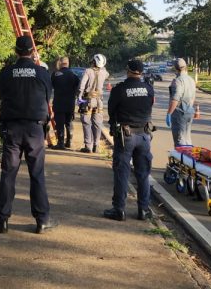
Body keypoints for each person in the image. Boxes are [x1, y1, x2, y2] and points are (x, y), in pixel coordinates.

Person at [0, 35, 58, 234]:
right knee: (37, 174)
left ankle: (2, 220)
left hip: (12, 128)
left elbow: (1, 96)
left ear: (15, 51)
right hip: (35, 130)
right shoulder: (42, 73)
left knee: (8, 173)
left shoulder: (6, 73)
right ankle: (42, 220)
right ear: (33, 51)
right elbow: (48, 98)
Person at [103, 59, 155, 221]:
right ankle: (143, 209)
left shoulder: (120, 89)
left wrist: (113, 127)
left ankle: (119, 209)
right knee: (143, 174)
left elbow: (112, 111)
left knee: (122, 173)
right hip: (145, 135)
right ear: (140, 72)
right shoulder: (148, 89)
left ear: (128, 70)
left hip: (126, 136)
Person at [76, 54, 109, 153]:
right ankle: (96, 145)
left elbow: (81, 86)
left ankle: (88, 146)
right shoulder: (104, 72)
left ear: (94, 61)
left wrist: (79, 97)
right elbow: (106, 73)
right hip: (99, 101)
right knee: (97, 124)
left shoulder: (88, 71)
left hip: (87, 100)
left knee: (86, 123)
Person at [165, 58, 196, 147]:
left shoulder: (177, 81)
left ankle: (183, 159)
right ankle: (189, 159)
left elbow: (175, 99)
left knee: (180, 140)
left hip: (179, 113)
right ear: (186, 67)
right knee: (187, 138)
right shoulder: (191, 80)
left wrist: (169, 114)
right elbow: (193, 97)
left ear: (175, 68)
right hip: (189, 111)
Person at [51, 56, 80, 149]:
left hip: (59, 103)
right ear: (68, 63)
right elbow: (78, 88)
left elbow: (52, 85)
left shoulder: (55, 74)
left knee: (59, 124)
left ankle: (60, 143)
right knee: (69, 122)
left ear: (60, 63)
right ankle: (69, 142)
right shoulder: (74, 75)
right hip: (70, 103)